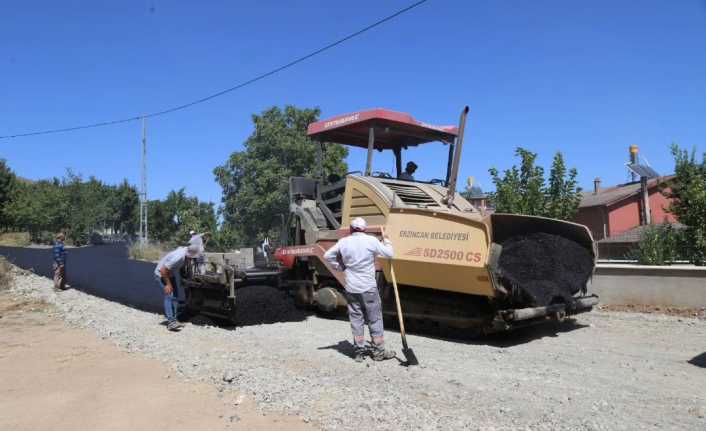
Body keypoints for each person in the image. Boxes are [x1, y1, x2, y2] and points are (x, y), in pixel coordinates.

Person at [324, 217, 396, 362]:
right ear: (364, 229)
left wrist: (339, 266)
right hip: (368, 287)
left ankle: (359, 352)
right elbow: (389, 254)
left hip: (351, 287)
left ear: (351, 229)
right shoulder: (371, 241)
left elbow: (327, 256)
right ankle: (378, 352)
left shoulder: (344, 242)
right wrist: (386, 240)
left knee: (356, 319)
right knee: (374, 318)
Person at [154, 244, 202, 331]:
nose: (193, 259)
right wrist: (168, 285)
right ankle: (171, 322)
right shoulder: (179, 257)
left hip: (170, 274)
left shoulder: (185, 251)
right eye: (193, 257)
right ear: (190, 255)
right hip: (161, 274)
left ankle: (175, 320)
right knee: (169, 295)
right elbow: (163, 270)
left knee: (175, 297)